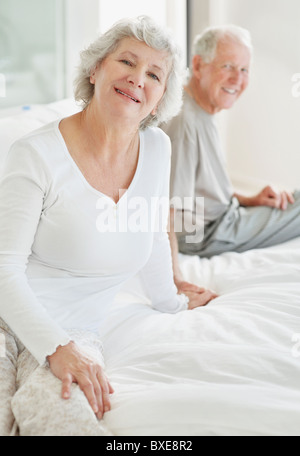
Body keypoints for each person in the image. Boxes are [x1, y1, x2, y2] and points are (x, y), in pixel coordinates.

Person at [0, 16, 218, 436]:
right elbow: (3, 267)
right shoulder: (36, 153)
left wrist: (173, 299)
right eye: (127, 62)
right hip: (6, 315)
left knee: (64, 420)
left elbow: (151, 233)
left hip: (77, 330)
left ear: (160, 99)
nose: (139, 79)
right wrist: (55, 348)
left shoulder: (157, 148)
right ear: (96, 69)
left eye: (154, 73)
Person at [161, 24, 300, 290]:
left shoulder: (201, 108)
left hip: (222, 219)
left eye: (244, 69)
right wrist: (175, 280)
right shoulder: (185, 122)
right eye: (227, 66)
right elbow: (168, 209)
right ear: (199, 65)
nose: (238, 79)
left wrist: (250, 199)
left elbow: (200, 190)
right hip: (210, 234)